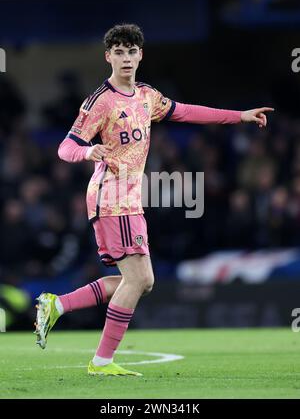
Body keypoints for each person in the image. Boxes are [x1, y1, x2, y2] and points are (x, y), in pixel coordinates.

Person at [34, 23, 274, 377]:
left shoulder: (147, 96)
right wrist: (87, 153)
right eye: (119, 52)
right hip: (111, 197)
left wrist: (238, 116)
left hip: (129, 199)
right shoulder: (101, 100)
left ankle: (57, 305)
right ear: (108, 56)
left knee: (140, 281)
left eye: (131, 51)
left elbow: (187, 111)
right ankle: (100, 362)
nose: (126, 58)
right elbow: (65, 145)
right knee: (139, 279)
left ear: (140, 54)